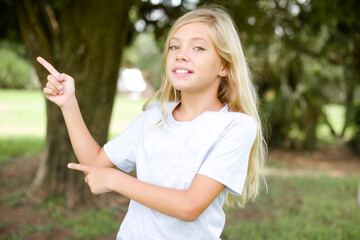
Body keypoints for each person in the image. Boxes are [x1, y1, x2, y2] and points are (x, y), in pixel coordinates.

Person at [37, 4, 267, 240]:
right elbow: (95, 162)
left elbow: (190, 206)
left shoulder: (236, 126)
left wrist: (116, 180)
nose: (181, 54)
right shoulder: (154, 117)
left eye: (198, 47)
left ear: (224, 66)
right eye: (174, 46)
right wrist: (69, 104)